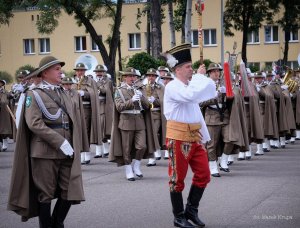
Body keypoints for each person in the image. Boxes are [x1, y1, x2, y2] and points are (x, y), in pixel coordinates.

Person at [7, 56, 85, 227]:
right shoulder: (33, 95)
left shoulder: (62, 92)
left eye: (60, 68)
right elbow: (34, 123)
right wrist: (59, 141)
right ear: (45, 72)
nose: (61, 72)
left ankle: (57, 222)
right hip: (44, 152)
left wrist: (73, 143)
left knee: (68, 190)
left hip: (67, 150)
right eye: (57, 69)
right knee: (46, 193)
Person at [163, 43, 216, 227]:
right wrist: (200, 78)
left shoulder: (186, 85)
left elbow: (201, 95)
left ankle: (191, 211)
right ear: (177, 69)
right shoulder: (173, 87)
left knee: (204, 174)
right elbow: (191, 96)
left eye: (191, 67)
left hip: (194, 137)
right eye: (187, 67)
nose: (191, 70)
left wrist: (199, 79)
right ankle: (179, 217)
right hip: (178, 137)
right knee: (177, 179)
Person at [109, 67, 157, 181]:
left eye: (134, 76)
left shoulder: (139, 89)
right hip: (126, 121)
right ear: (125, 77)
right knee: (126, 148)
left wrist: (143, 98)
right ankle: (128, 169)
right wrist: (132, 101)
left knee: (142, 146)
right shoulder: (119, 90)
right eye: (130, 76)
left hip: (139, 120)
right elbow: (119, 107)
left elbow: (146, 107)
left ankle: (136, 165)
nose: (132, 78)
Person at [201, 63, 233, 177]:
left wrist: (228, 94)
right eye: (214, 71)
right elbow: (199, 103)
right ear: (209, 73)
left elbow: (231, 100)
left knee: (230, 139)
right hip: (212, 116)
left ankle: (224, 161)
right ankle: (213, 166)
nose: (216, 73)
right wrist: (212, 98)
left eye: (218, 71)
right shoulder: (205, 85)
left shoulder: (223, 83)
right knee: (211, 144)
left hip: (224, 115)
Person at [73, 63, 102, 164]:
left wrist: (84, 93)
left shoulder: (90, 81)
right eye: (78, 70)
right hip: (74, 109)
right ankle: (80, 154)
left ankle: (86, 155)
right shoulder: (72, 81)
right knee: (77, 131)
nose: (80, 72)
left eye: (82, 70)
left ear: (85, 71)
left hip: (86, 108)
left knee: (85, 131)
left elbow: (93, 94)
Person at [145, 68, 167, 166]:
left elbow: (164, 101)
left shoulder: (160, 87)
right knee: (149, 135)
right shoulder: (144, 87)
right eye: (149, 75)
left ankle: (153, 156)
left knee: (154, 134)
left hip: (156, 114)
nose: (151, 77)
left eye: (153, 76)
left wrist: (155, 100)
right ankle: (154, 154)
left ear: (156, 77)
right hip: (146, 114)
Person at [93, 64, 114, 158]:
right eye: (97, 72)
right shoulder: (93, 81)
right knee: (98, 128)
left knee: (103, 128)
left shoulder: (107, 81)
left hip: (104, 106)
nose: (99, 74)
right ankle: (99, 151)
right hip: (95, 106)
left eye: (100, 72)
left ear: (103, 72)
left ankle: (105, 150)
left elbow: (106, 92)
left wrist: (98, 86)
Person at [0, 79, 13, 151]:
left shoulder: (5, 92)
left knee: (4, 129)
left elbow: (11, 96)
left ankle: (5, 142)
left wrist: (12, 94)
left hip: (3, 112)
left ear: (2, 84)